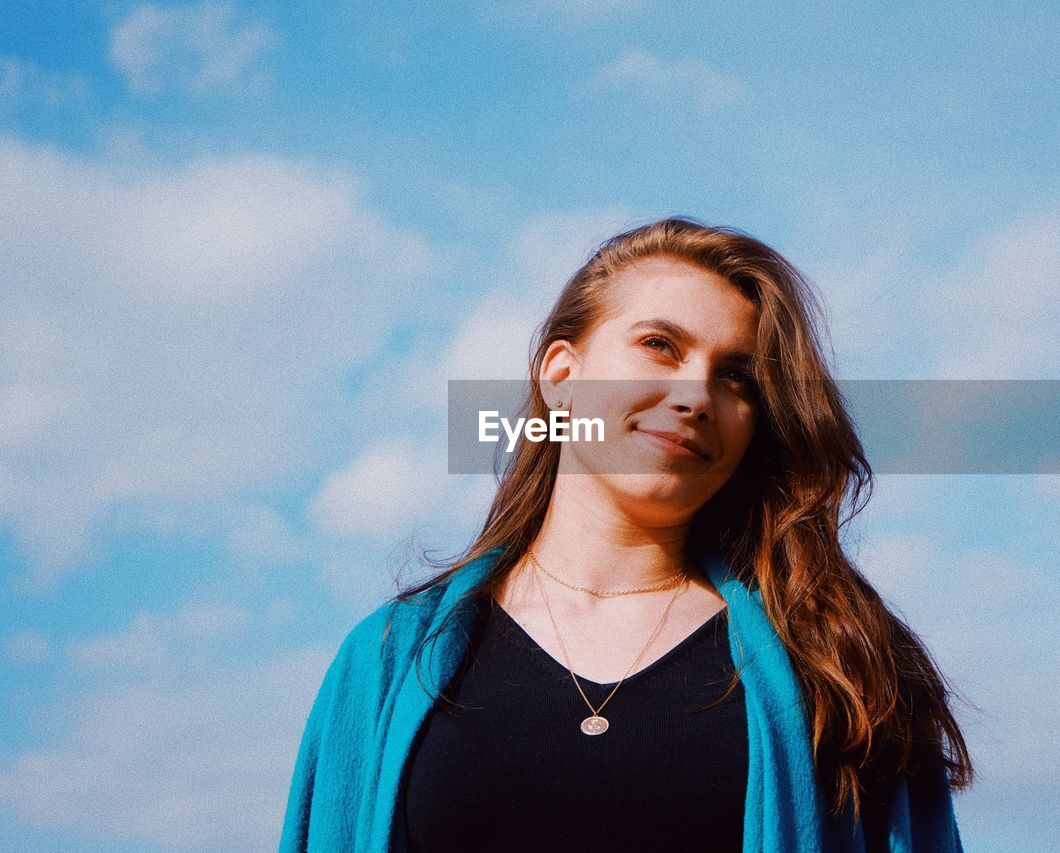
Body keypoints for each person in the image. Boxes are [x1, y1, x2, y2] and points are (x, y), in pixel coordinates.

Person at [280, 216, 973, 852]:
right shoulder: (384, 662)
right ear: (561, 377)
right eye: (659, 345)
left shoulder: (837, 664)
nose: (696, 395)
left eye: (736, 379)